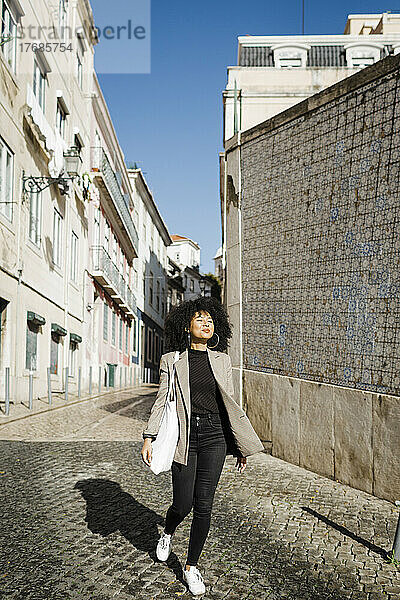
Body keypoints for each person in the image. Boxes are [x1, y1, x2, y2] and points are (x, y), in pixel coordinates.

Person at [141, 296, 264, 596]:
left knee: (204, 504)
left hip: (215, 436)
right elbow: (161, 401)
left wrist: (238, 446)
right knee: (183, 503)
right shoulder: (171, 360)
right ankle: (168, 531)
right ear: (187, 325)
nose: (207, 323)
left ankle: (191, 566)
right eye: (200, 319)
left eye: (210, 320)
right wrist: (149, 436)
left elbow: (230, 404)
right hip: (185, 437)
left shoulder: (222, 360)